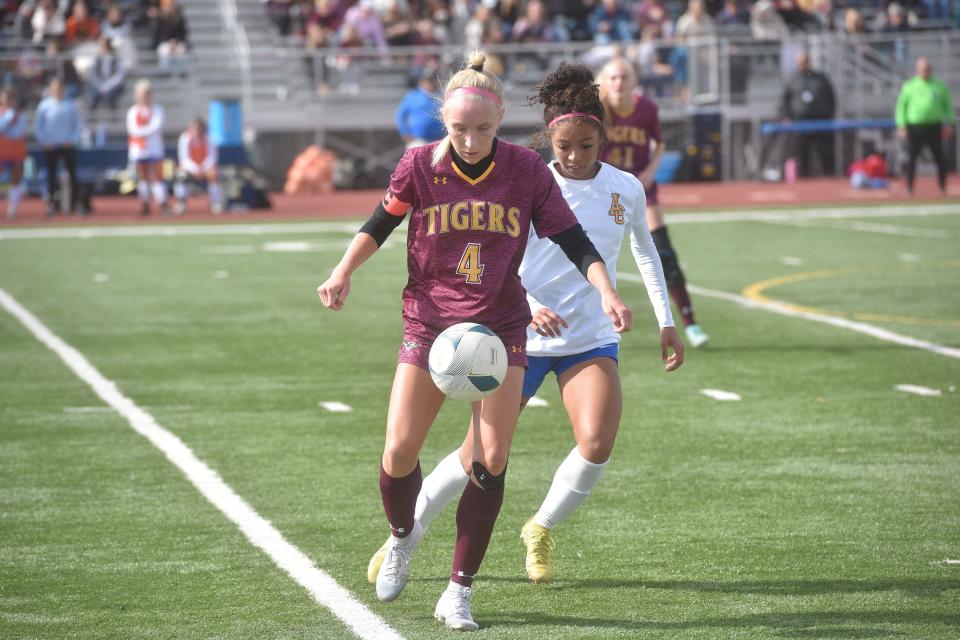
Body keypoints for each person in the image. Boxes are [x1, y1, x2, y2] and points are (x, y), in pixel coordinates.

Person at [317, 51, 633, 631]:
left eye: (483, 129)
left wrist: (607, 292)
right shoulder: (418, 165)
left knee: (491, 460)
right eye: (459, 129)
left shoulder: (526, 171)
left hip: (501, 327)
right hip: (430, 323)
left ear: (501, 120)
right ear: (444, 120)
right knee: (398, 452)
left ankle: (460, 592)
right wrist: (342, 271)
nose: (470, 140)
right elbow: (379, 224)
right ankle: (403, 539)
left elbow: (573, 239)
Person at [366, 62, 684, 588]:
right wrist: (530, 302)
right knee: (477, 458)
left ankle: (540, 526)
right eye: (565, 146)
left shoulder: (626, 187)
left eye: (587, 145)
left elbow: (644, 252)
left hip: (588, 336)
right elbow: (497, 256)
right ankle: (407, 534)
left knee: (598, 441)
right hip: (519, 335)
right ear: (549, 140)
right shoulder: (525, 178)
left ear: (602, 136)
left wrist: (664, 319)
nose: (576, 156)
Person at [597, 57, 709, 348]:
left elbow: (659, 143)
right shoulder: (596, 108)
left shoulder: (646, 109)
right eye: (612, 78)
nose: (618, 83)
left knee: (663, 252)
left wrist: (650, 171)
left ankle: (690, 322)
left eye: (624, 77)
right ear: (604, 81)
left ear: (634, 81)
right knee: (587, 252)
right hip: (603, 190)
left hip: (639, 190)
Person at [895, 57, 955, 196]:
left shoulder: (939, 86)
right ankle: (909, 188)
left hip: (934, 126)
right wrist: (901, 125)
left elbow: (948, 106)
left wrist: (950, 123)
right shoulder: (909, 86)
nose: (925, 72)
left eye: (927, 69)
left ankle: (942, 187)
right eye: (922, 70)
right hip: (915, 127)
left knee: (940, 158)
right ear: (917, 71)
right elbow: (901, 107)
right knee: (912, 158)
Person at [778, 51, 836, 178]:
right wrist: (786, 116)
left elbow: (831, 97)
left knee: (825, 151)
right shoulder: (792, 80)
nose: (802, 65)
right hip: (800, 122)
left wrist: (830, 114)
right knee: (802, 152)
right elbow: (784, 100)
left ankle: (829, 178)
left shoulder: (821, 78)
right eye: (800, 63)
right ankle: (804, 180)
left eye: (805, 62)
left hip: (821, 121)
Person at [34, 77, 84, 217]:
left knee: (72, 174)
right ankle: (52, 204)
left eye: (59, 88)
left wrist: (72, 139)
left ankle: (74, 205)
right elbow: (39, 126)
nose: (57, 91)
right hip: (50, 146)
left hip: (67, 145)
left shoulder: (70, 105)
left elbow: (78, 125)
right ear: (50, 89)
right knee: (51, 175)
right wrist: (45, 141)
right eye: (54, 88)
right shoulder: (44, 106)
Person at [126, 79, 168, 216]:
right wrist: (144, 132)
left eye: (147, 93)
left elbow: (155, 127)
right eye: (141, 93)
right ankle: (144, 204)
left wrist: (142, 132)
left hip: (154, 149)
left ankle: (162, 203)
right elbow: (133, 129)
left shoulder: (157, 110)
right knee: (142, 179)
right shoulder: (132, 111)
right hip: (138, 151)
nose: (144, 96)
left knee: (157, 178)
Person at [174, 117, 223, 214]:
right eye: (194, 128)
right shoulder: (184, 139)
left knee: (213, 174)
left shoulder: (209, 139)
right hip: (190, 168)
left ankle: (215, 202)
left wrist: (203, 168)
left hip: (205, 168)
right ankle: (181, 202)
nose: (197, 131)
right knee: (181, 175)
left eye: (199, 129)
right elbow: (184, 158)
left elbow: (212, 157)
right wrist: (196, 169)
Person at [394, 68, 444, 149]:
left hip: (439, 140)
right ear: (421, 81)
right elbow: (401, 116)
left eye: (432, 80)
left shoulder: (442, 96)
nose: (429, 83)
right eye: (427, 81)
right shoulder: (412, 96)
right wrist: (405, 133)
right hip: (418, 140)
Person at [0, 87, 28, 221]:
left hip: (16, 151)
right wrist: (7, 120)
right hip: (1, 151)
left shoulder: (19, 114)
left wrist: (11, 119)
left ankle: (13, 208)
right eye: (6, 98)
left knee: (16, 180)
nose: (9, 101)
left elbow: (17, 133)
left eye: (11, 98)